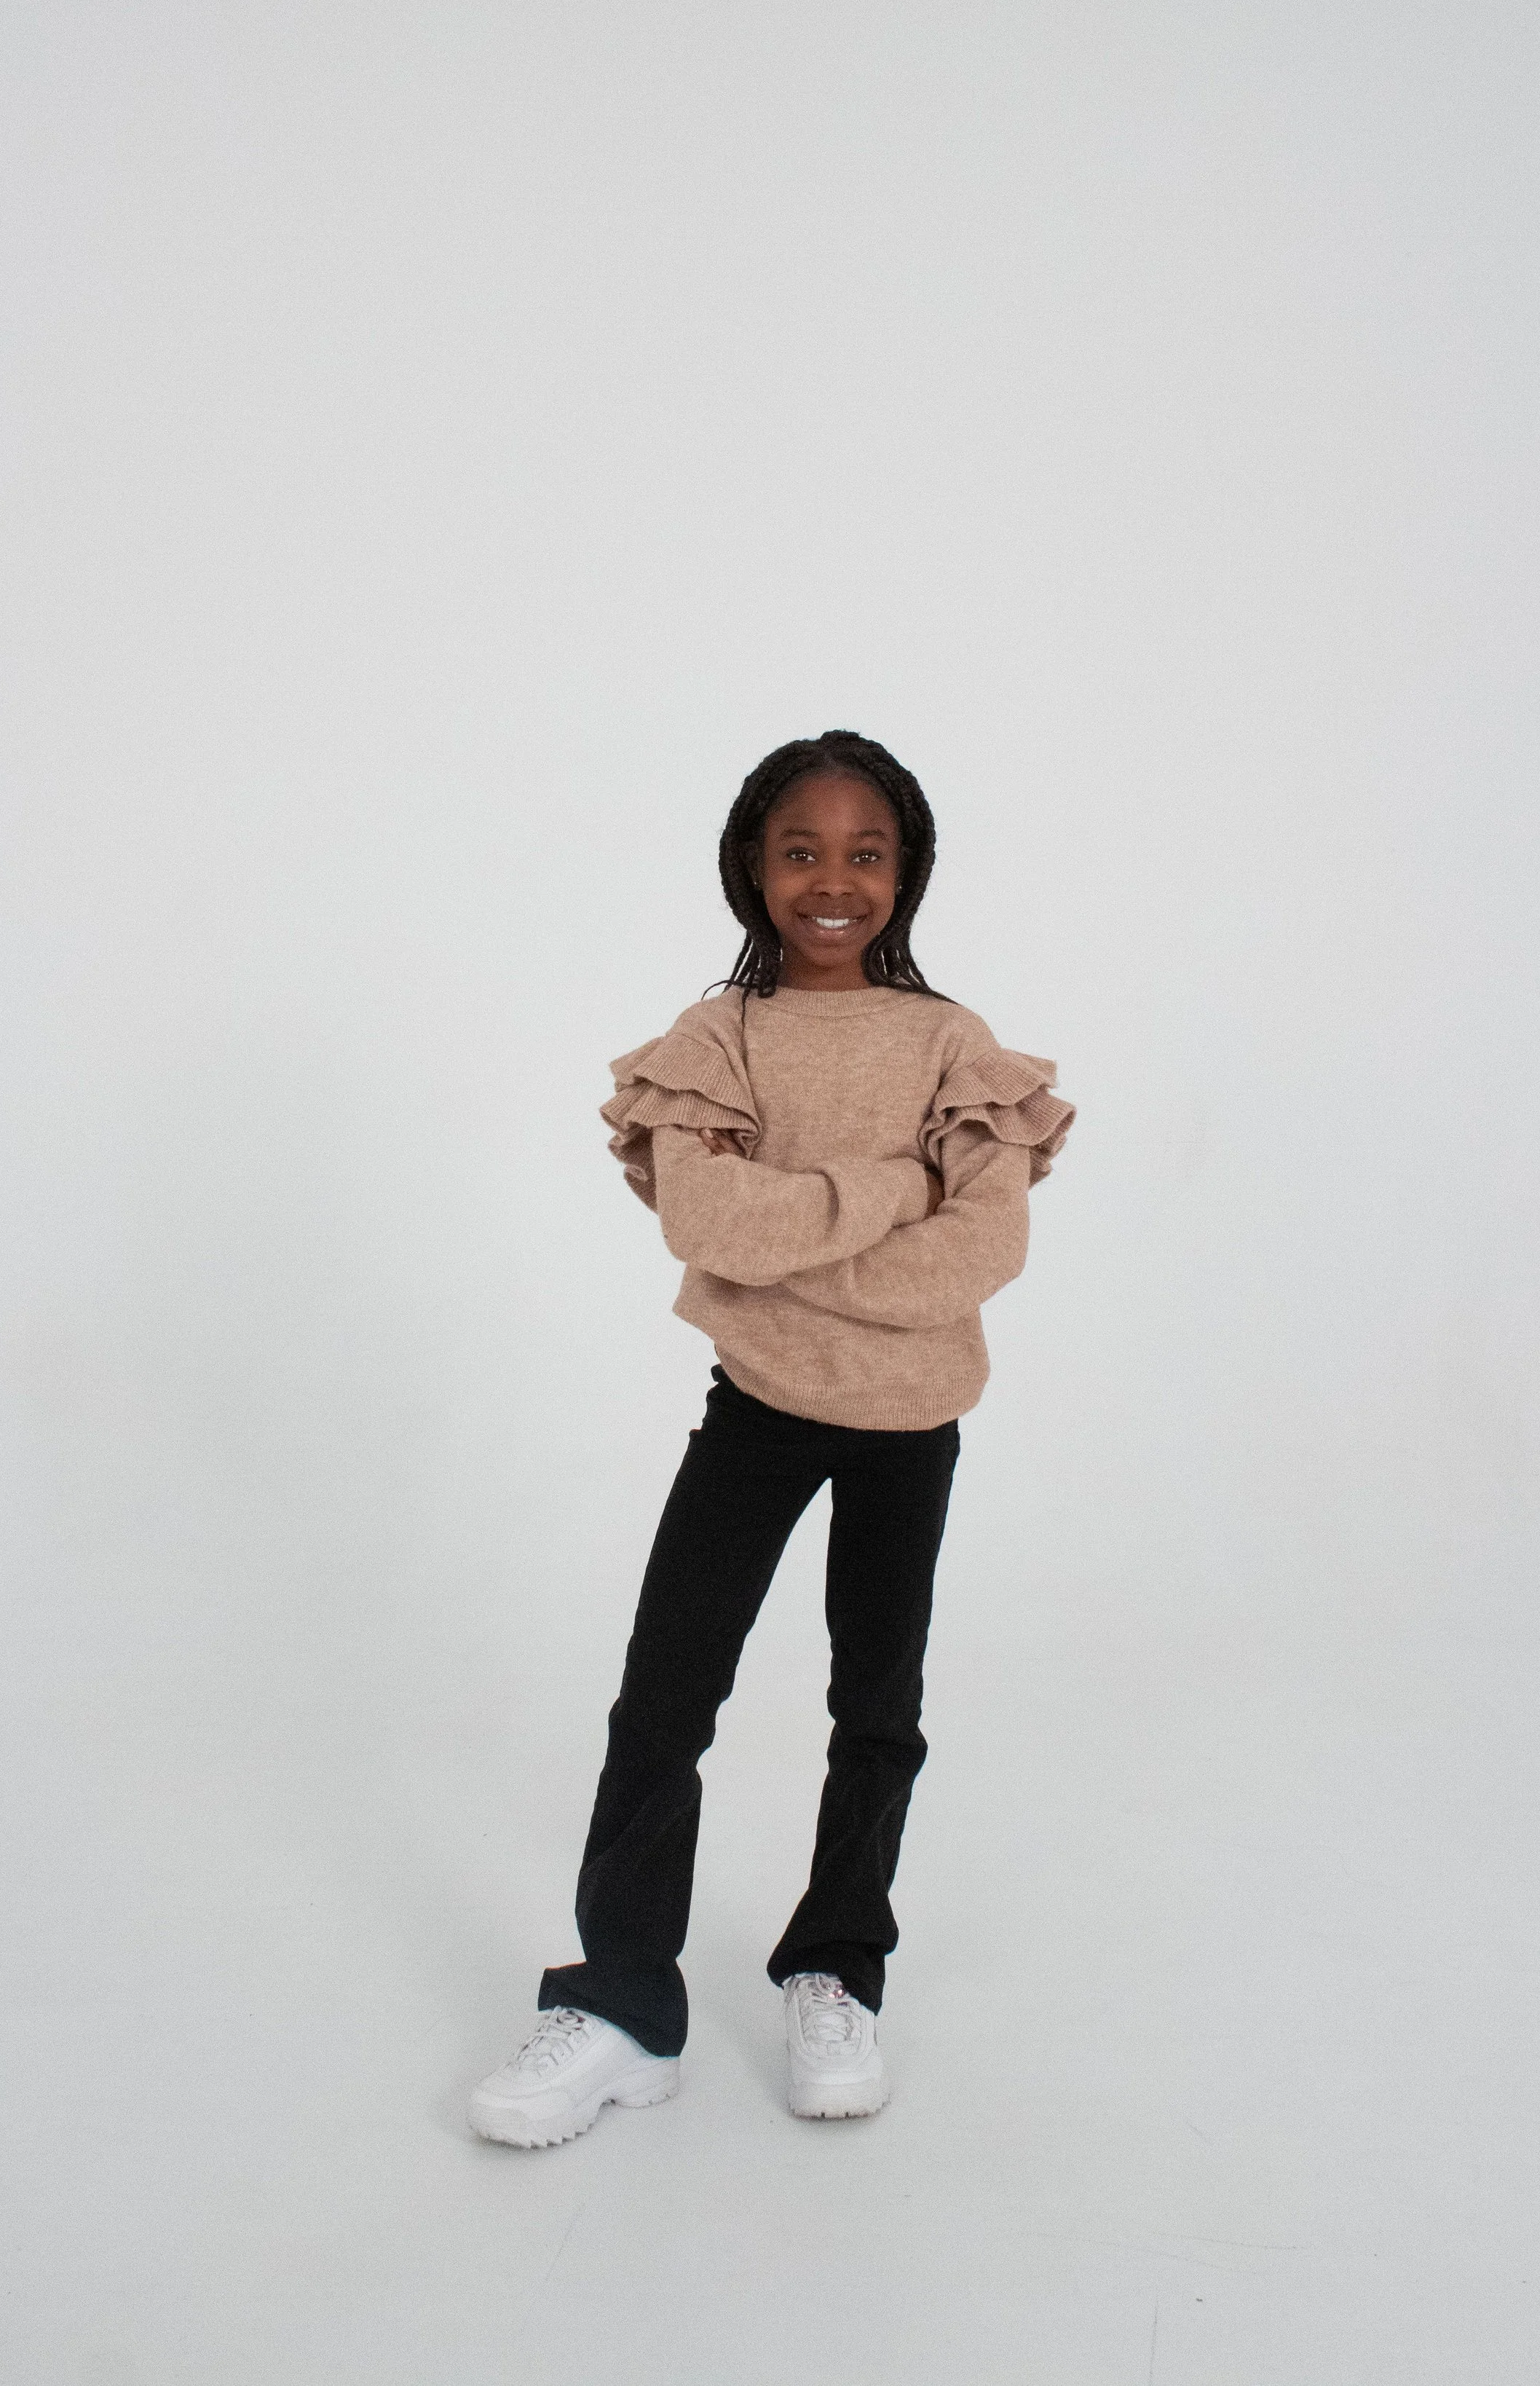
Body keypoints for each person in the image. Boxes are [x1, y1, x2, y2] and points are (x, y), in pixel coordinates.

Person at [469, 729, 1073, 2147]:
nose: (831, 880)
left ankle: (835, 1966)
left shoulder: (949, 1046)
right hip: (754, 1409)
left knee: (876, 1707)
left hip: (909, 1422)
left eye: (865, 853)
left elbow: (980, 1248)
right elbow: (705, 1225)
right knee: (662, 1700)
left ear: (905, 869)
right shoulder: (716, 1041)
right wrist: (884, 1185)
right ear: (751, 863)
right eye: (800, 849)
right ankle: (622, 2004)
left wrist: (793, 1242)